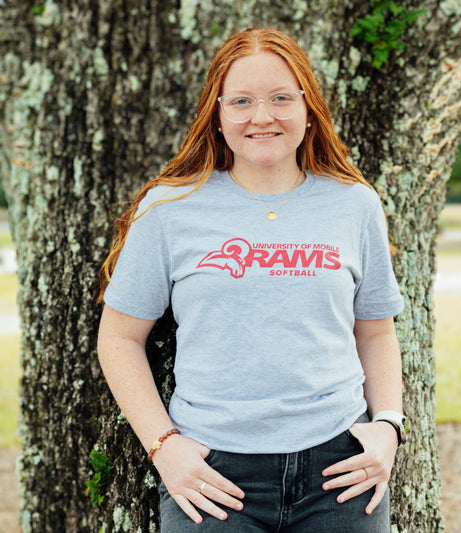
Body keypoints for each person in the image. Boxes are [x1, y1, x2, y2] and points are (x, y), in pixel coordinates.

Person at [97, 28, 406, 532]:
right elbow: (118, 337)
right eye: (241, 101)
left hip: (340, 472)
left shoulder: (354, 204)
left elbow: (375, 330)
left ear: (308, 109)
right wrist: (164, 448)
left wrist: (388, 427)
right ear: (217, 116)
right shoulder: (170, 210)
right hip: (214, 476)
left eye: (281, 98)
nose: (262, 117)